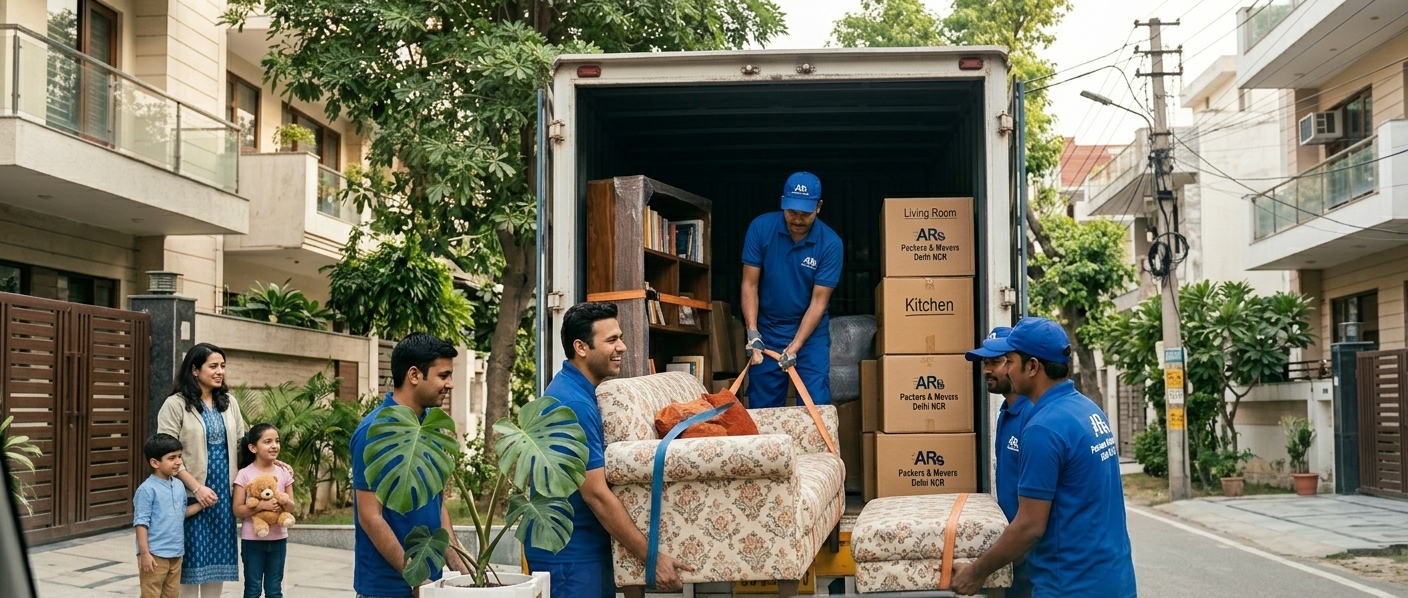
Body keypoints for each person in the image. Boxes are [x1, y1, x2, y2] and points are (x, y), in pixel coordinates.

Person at [951, 317, 1136, 598]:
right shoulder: (1087, 410)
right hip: (1114, 579)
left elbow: (1030, 526)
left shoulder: (1043, 427)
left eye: (1010, 361)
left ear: (1033, 366)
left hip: (1071, 586)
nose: (1006, 370)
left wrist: (975, 573)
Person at [525, 302, 695, 598]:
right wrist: (650, 558)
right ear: (581, 347)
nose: (623, 347)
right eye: (612, 340)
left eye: (621, 337)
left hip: (586, 551)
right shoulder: (572, 403)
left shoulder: (581, 391)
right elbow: (596, 495)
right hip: (570, 556)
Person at [351, 333, 470, 598]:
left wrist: (460, 564)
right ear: (414, 375)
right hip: (386, 589)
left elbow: (437, 504)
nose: (450, 384)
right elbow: (370, 516)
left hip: (430, 586)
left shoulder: (430, 426)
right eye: (443, 375)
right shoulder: (374, 430)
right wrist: (415, 578)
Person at [740, 171, 843, 408]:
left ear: (818, 207)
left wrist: (795, 347)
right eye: (791, 211)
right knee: (762, 404)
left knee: (814, 401)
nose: (797, 219)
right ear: (782, 202)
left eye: (805, 213)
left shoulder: (830, 244)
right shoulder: (761, 228)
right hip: (768, 327)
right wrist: (753, 332)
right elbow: (749, 283)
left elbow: (819, 302)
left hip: (810, 333)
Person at [157, 343, 247, 598]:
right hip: (189, 494)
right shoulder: (175, 405)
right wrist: (196, 487)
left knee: (217, 563)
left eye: (223, 366)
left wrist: (273, 465)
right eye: (214, 366)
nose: (220, 371)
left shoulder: (229, 402)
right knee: (191, 563)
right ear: (195, 370)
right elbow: (167, 454)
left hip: (222, 494)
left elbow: (243, 443)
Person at [964, 326, 1032, 598]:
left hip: (1030, 558)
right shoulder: (1006, 413)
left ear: (1015, 364)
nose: (986, 370)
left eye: (994, 362)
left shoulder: (1032, 417)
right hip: (1012, 553)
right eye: (985, 363)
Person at [134, 433, 204, 598]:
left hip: (176, 553)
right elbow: (141, 524)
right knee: (151, 594)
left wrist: (202, 504)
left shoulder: (179, 485)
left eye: (179, 456)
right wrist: (145, 554)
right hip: (155, 555)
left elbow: (181, 513)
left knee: (171, 595)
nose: (178, 462)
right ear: (155, 462)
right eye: (172, 458)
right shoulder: (147, 489)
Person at [233, 424, 298, 598]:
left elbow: (292, 507)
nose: (274, 446)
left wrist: (285, 501)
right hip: (252, 541)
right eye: (267, 442)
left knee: (274, 589)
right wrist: (261, 506)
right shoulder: (245, 474)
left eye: (277, 441)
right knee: (253, 589)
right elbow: (237, 510)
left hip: (278, 539)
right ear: (253, 447)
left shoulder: (284, 472)